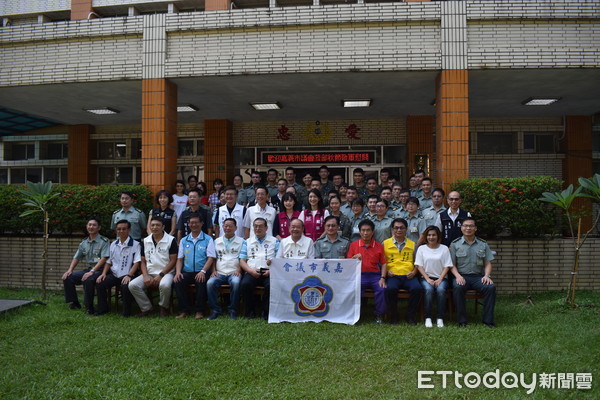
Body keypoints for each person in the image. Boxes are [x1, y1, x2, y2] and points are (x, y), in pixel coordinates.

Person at [450, 218, 496, 328]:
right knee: (458, 288)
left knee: (490, 287)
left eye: (471, 226)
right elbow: (451, 265)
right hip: (462, 276)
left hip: (478, 277)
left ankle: (488, 321)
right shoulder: (455, 244)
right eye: (465, 226)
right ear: (461, 228)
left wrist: (486, 276)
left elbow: (488, 263)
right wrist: (457, 276)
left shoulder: (483, 244)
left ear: (475, 228)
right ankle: (462, 321)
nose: (468, 228)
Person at [129, 217, 178, 317]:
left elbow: (173, 260)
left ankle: (164, 307)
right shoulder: (145, 241)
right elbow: (142, 261)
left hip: (166, 273)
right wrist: (145, 275)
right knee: (133, 285)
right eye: (152, 225)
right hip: (150, 273)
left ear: (163, 227)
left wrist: (161, 275)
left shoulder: (171, 240)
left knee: (164, 285)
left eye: (157, 225)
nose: (155, 227)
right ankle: (147, 308)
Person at [62, 217, 110, 313]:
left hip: (100, 270)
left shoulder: (104, 241)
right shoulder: (84, 242)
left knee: (88, 279)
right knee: (68, 277)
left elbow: (104, 259)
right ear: (86, 226)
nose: (91, 227)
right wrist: (70, 270)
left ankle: (89, 307)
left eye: (94, 225)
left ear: (99, 227)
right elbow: (76, 257)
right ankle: (75, 303)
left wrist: (92, 272)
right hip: (89, 269)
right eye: (89, 225)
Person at [95, 219, 141, 317]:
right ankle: (103, 309)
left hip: (129, 274)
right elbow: (108, 261)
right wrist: (103, 274)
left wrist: (129, 275)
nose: (121, 231)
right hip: (115, 275)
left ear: (129, 230)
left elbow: (137, 262)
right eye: (119, 229)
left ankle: (126, 312)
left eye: (124, 229)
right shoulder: (113, 244)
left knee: (125, 286)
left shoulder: (136, 244)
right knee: (100, 283)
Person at [173, 213, 215, 320]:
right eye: (191, 223)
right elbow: (180, 259)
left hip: (202, 271)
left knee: (201, 280)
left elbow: (211, 258)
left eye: (196, 222)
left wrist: (203, 271)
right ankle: (184, 310)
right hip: (187, 271)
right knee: (178, 280)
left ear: (201, 223)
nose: (194, 225)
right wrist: (178, 272)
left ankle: (200, 310)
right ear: (188, 224)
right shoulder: (184, 240)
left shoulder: (208, 239)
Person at [346, 219, 387, 324]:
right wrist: (354, 258)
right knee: (356, 289)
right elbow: (348, 263)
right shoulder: (353, 245)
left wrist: (383, 278)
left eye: (368, 230)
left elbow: (383, 263)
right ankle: (356, 315)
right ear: (359, 232)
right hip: (359, 275)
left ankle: (379, 315)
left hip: (374, 276)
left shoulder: (378, 246)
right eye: (363, 230)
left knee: (381, 289)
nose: (365, 233)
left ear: (373, 232)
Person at [383, 218, 421, 325]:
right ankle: (394, 316)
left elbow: (418, 262)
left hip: (409, 275)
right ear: (392, 230)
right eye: (396, 228)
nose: (399, 230)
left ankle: (410, 316)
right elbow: (381, 262)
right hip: (392, 275)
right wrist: (386, 272)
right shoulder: (385, 244)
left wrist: (414, 272)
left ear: (406, 229)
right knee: (390, 289)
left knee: (417, 288)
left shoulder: (413, 244)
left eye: (401, 228)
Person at [239, 218, 280, 319]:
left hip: (269, 272)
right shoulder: (247, 242)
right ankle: (250, 312)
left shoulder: (274, 241)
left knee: (271, 286)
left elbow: (280, 259)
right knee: (245, 284)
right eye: (255, 226)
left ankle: (266, 313)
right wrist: (250, 271)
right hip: (252, 271)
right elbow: (242, 260)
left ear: (266, 228)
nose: (258, 228)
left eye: (260, 226)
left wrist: (271, 271)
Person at [415, 226, 453, 328]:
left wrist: (440, 279)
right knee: (428, 290)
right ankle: (428, 318)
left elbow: (447, 265)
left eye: (434, 235)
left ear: (438, 236)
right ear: (426, 237)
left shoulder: (444, 248)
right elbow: (418, 266)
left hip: (441, 278)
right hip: (425, 278)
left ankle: (440, 318)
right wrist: (427, 279)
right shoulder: (421, 249)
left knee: (441, 290)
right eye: (429, 235)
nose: (431, 237)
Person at [206, 218, 244, 320]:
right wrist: (213, 270)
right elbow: (213, 258)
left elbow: (243, 258)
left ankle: (233, 310)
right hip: (220, 272)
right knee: (210, 283)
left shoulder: (242, 241)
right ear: (222, 227)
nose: (227, 228)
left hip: (234, 272)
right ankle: (215, 310)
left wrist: (239, 270)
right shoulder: (216, 241)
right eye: (225, 226)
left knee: (236, 283)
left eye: (230, 226)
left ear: (236, 228)